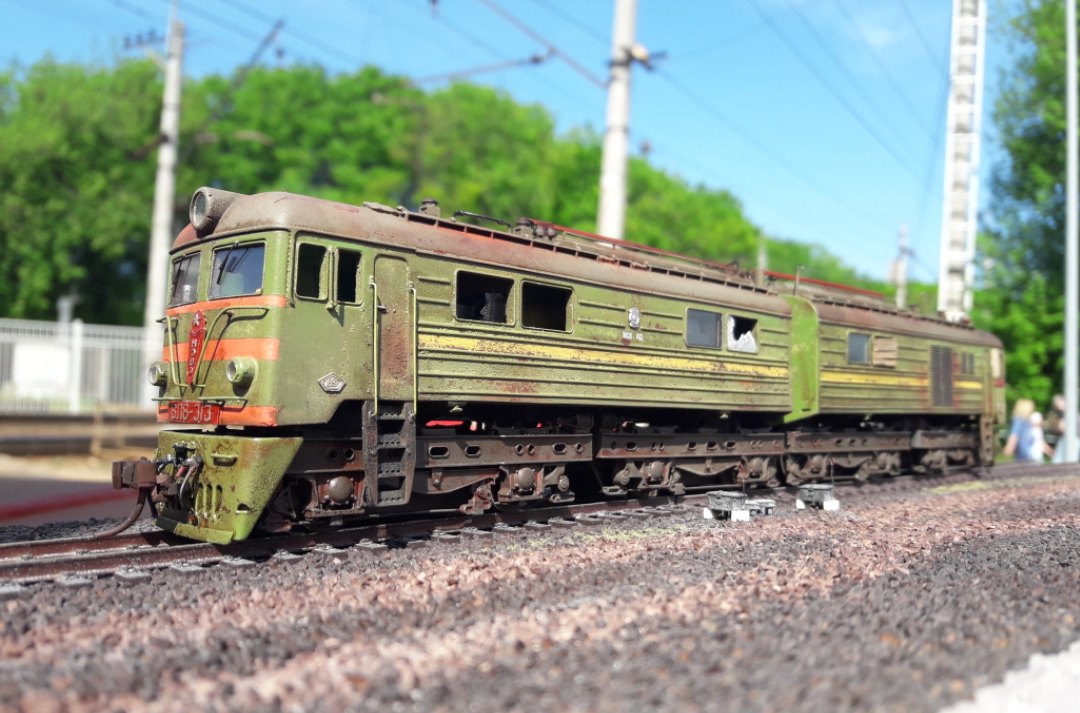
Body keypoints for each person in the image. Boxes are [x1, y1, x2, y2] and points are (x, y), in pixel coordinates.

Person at [1003, 398, 1039, 463]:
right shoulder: (1023, 421)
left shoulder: (1022, 421)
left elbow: (1014, 435)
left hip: (1024, 455)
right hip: (1028, 455)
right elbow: (1015, 435)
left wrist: (1009, 447)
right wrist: (1010, 447)